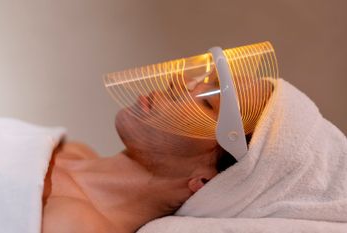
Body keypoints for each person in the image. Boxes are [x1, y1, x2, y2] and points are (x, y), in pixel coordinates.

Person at [42, 78, 240, 233]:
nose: (177, 83)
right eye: (200, 82)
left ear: (203, 181)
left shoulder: (74, 225)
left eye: (207, 103)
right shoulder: (71, 150)